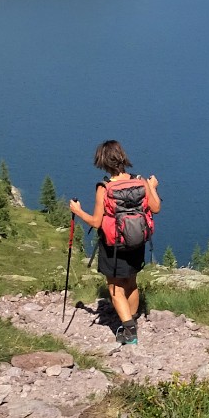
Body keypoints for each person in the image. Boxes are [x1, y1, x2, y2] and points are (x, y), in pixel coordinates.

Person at [69, 140, 160, 344]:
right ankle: (132, 320)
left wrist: (77, 211)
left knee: (114, 288)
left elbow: (96, 221)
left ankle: (129, 333)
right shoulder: (140, 181)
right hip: (137, 242)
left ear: (102, 162)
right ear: (122, 157)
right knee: (131, 282)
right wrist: (152, 187)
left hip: (114, 246)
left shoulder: (105, 187)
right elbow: (155, 208)